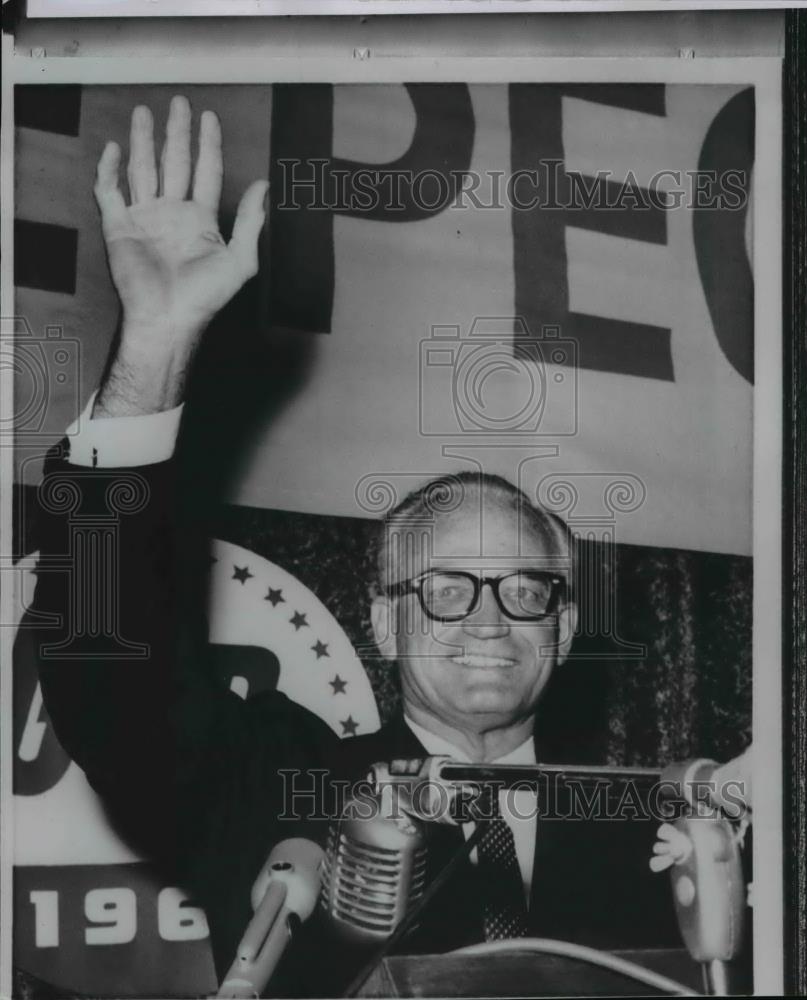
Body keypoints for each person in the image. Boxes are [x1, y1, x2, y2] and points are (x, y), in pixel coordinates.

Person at [34, 96, 690, 998]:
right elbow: (109, 680)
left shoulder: (659, 829)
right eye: (447, 588)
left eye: (526, 591)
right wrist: (154, 346)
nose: (489, 621)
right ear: (382, 622)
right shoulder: (275, 785)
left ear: (566, 628)